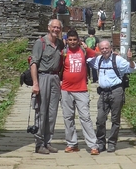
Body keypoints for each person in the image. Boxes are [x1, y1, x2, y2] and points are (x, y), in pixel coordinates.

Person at [88, 40, 136, 153]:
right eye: (102, 48)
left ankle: (112, 143)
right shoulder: (98, 60)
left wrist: (130, 59)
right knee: (100, 119)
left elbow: (132, 69)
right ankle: (101, 143)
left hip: (116, 91)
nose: (104, 50)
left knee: (115, 119)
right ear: (99, 50)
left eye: (106, 48)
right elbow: (88, 60)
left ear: (111, 48)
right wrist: (86, 49)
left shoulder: (117, 60)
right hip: (103, 93)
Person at [60, 29, 100, 155]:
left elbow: (96, 55)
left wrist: (87, 47)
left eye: (74, 40)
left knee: (85, 117)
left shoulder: (83, 51)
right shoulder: (64, 52)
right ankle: (72, 144)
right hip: (66, 89)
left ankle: (93, 145)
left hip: (81, 89)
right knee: (68, 118)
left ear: (78, 40)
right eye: (70, 40)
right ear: (67, 41)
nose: (72, 42)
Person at [29, 19, 65, 154]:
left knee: (52, 112)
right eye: (54, 27)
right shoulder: (41, 43)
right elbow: (33, 63)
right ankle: (39, 144)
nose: (56, 30)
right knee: (41, 111)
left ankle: (47, 141)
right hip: (42, 77)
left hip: (55, 78)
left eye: (58, 28)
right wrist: (35, 83)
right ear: (49, 28)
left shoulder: (60, 44)